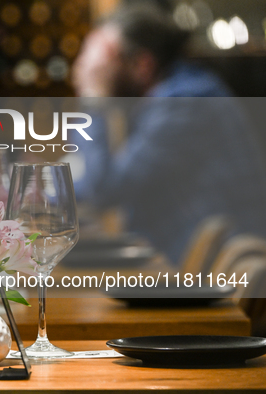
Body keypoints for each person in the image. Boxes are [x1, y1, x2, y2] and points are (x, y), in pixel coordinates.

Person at [71, 5, 266, 265]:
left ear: (142, 64)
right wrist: (37, 191)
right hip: (189, 266)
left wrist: (93, 100)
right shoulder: (169, 99)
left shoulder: (186, 102)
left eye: (99, 58)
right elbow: (97, 184)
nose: (84, 68)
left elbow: (104, 188)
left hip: (221, 284)